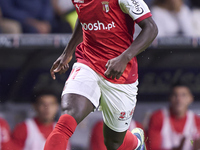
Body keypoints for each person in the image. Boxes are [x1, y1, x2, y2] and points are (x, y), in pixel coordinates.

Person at [44, 0, 158, 149]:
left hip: (121, 73)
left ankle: (136, 144)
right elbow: (84, 15)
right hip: (88, 63)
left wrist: (125, 57)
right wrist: (68, 51)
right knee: (67, 118)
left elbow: (151, 28)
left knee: (113, 143)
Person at [147, 82, 200, 150]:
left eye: (183, 95)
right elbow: (153, 148)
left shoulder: (197, 121)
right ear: (170, 98)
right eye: (175, 95)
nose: (179, 99)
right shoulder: (158, 117)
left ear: (191, 98)